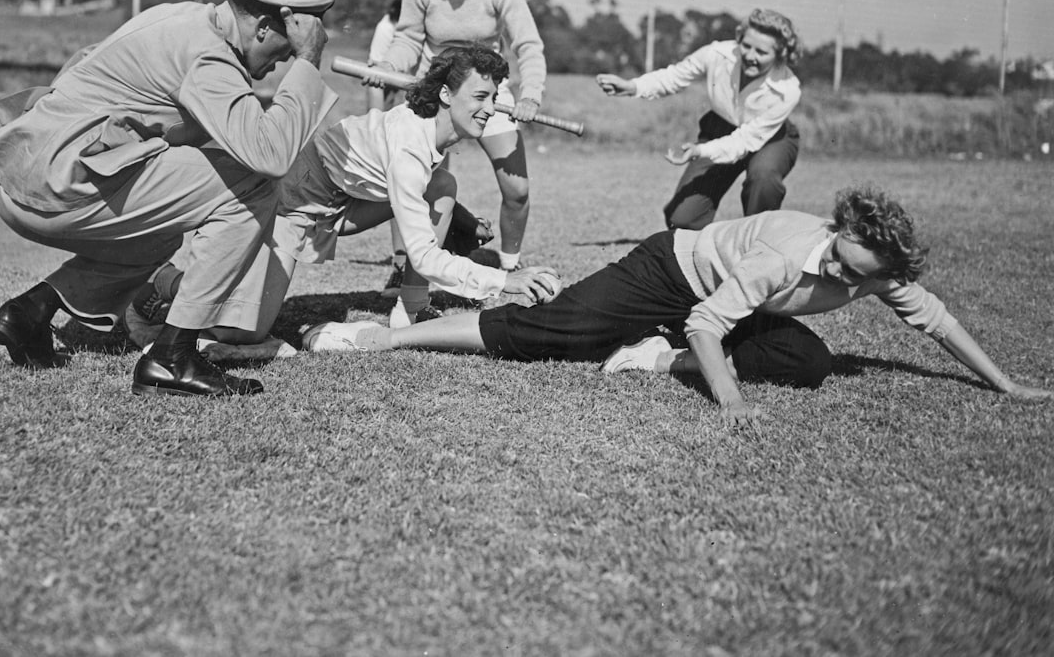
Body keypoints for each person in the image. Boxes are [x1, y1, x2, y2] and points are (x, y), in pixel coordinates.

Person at [302, 185, 1052, 427]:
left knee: (808, 359)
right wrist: (727, 399)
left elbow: (940, 321)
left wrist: (1007, 384)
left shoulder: (880, 276)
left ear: (880, 268)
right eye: (836, 246)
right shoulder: (789, 251)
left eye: (850, 267)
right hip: (671, 274)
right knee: (540, 331)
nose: (833, 262)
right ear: (839, 227)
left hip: (710, 302)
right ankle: (381, 341)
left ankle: (649, 357)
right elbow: (707, 318)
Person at [0, 0, 341, 397]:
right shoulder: (211, 56)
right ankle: (172, 356)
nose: (278, 66)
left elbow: (83, 65)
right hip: (56, 185)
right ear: (264, 27)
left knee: (162, 233)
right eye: (283, 53)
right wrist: (308, 61)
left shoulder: (179, 17)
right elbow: (270, 156)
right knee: (254, 186)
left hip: (19, 174)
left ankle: (31, 311)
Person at [133, 44, 561, 346]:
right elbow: (425, 251)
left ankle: (409, 312)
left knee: (444, 186)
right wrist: (505, 280)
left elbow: (419, 195)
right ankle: (159, 283)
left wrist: (460, 220)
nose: (490, 109)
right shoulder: (410, 147)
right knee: (243, 331)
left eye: (494, 97)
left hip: (345, 199)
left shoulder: (431, 129)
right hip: (297, 198)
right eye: (480, 97)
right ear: (446, 95)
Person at [374, 0, 547, 279]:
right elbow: (407, 40)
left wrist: (531, 94)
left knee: (516, 189)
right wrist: (388, 65)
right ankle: (406, 269)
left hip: (489, 88)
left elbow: (528, 45)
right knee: (415, 183)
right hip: (437, 88)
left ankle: (509, 266)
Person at [597, 8, 802, 231]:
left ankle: (759, 241)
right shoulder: (716, 54)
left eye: (761, 52)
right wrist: (633, 86)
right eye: (746, 46)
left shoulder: (788, 89)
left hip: (769, 140)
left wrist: (701, 151)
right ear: (739, 39)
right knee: (682, 219)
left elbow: (745, 141)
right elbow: (675, 76)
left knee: (764, 178)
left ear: (780, 54)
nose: (750, 56)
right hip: (720, 129)